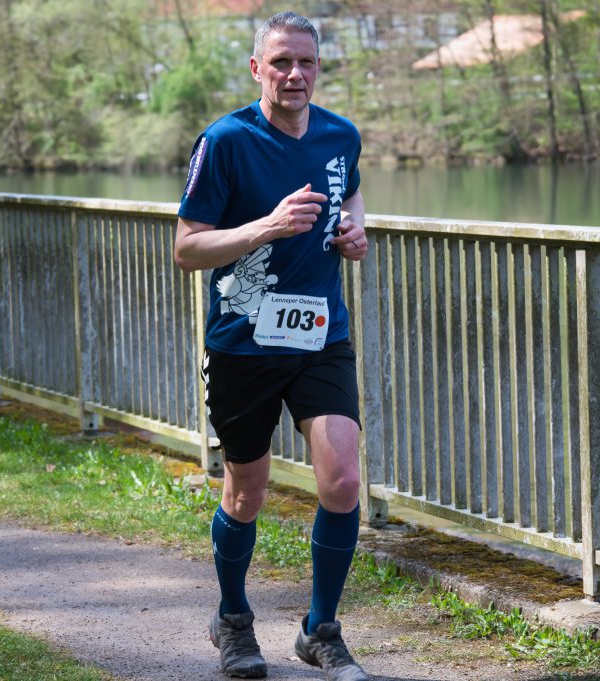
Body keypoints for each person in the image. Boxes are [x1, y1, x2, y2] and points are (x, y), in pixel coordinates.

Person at [173, 11, 370, 681]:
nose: (295, 74)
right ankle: (232, 619)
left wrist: (355, 232)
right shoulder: (225, 141)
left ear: (318, 68)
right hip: (242, 344)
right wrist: (266, 227)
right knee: (246, 494)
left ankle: (320, 629)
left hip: (320, 336)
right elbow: (186, 248)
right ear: (258, 68)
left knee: (342, 479)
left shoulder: (341, 134)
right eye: (281, 61)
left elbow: (351, 195)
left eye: (306, 62)